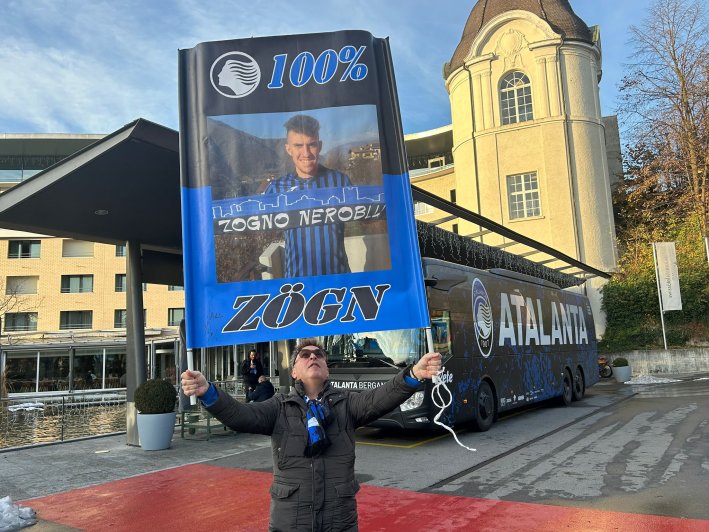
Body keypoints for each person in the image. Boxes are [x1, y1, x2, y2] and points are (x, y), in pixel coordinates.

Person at [182, 338, 441, 532]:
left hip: (339, 521)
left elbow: (380, 398)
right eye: (304, 355)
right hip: (290, 522)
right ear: (294, 371)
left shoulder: (346, 404)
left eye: (319, 354)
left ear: (327, 370)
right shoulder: (279, 406)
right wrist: (209, 392)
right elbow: (241, 415)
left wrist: (414, 374)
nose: (312, 357)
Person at [264, 115, 352, 277]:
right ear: (288, 149)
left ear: (319, 146)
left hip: (340, 280)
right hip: (296, 285)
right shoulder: (276, 189)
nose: (305, 153)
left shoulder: (340, 182)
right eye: (298, 145)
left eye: (311, 145)